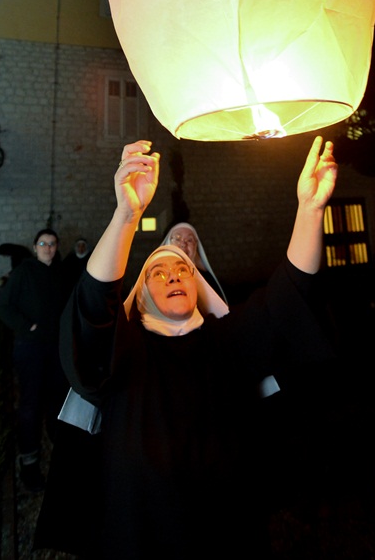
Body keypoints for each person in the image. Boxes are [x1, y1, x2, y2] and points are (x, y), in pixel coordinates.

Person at [34, 135, 337, 558]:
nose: (175, 274)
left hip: (227, 530)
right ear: (140, 295)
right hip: (142, 532)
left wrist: (309, 210)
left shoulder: (226, 341)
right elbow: (91, 308)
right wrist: (126, 215)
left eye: (183, 269)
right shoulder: (125, 350)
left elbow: (288, 299)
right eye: (159, 272)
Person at [0, 227, 70, 493]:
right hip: (30, 349)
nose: (48, 248)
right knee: (30, 404)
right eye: (43, 243)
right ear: (35, 246)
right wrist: (27, 327)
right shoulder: (23, 272)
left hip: (55, 351)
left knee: (57, 400)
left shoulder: (60, 274)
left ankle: (58, 453)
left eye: (52, 243)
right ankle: (29, 464)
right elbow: (4, 307)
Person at [160, 221, 228, 302]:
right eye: (177, 239)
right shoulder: (158, 276)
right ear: (168, 243)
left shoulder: (207, 280)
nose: (183, 244)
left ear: (195, 246)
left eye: (189, 240)